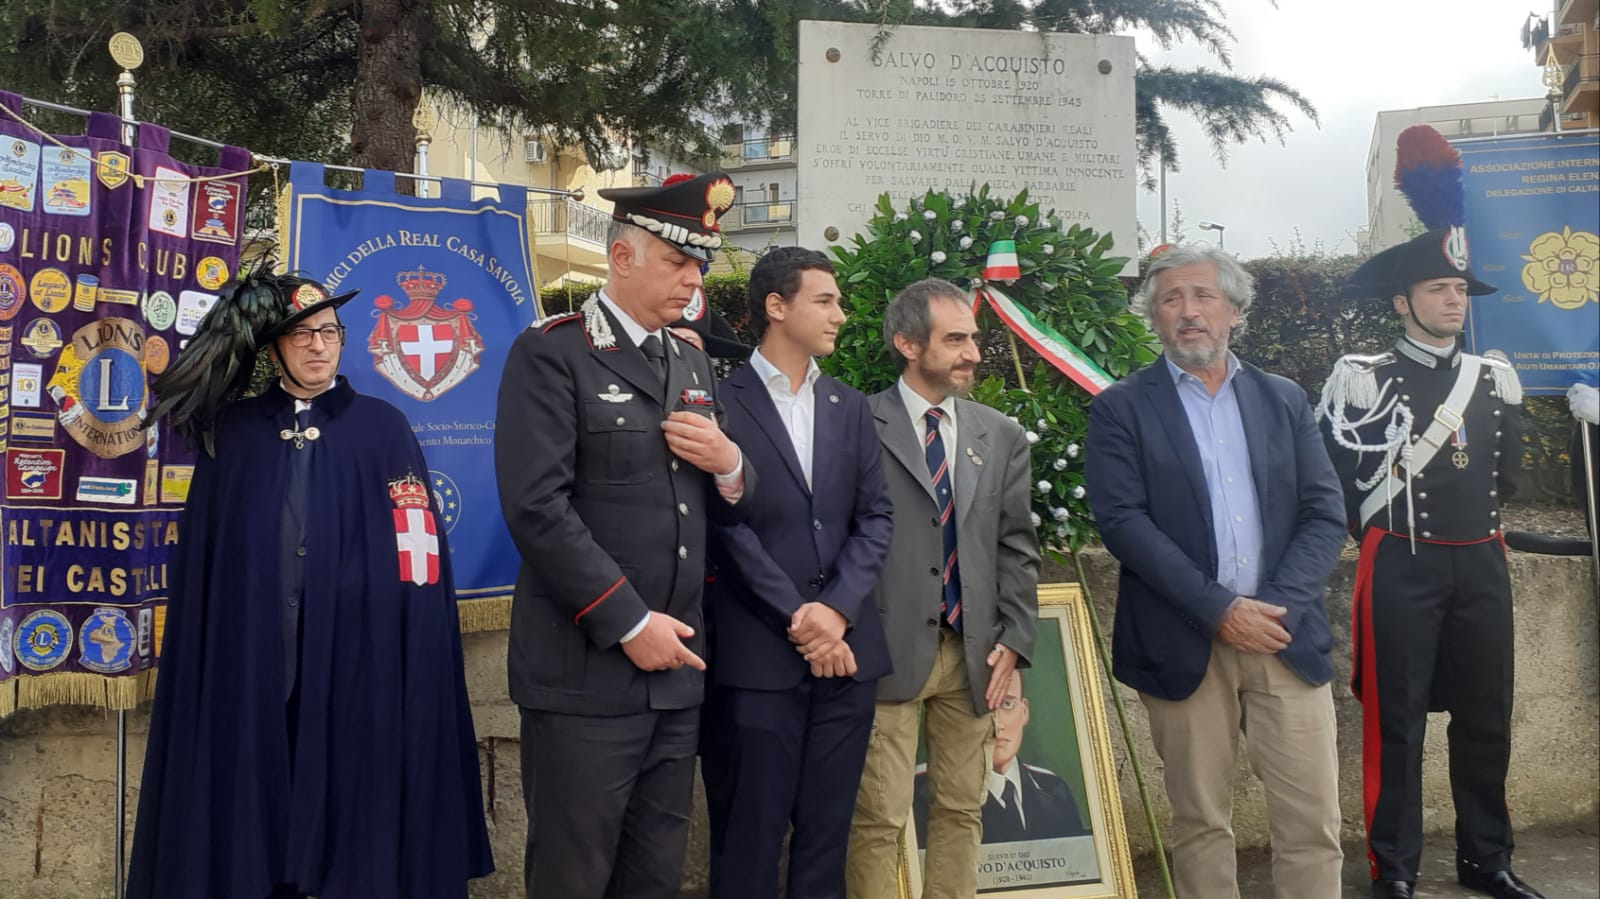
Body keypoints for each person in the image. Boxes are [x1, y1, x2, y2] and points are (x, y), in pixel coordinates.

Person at [127, 267, 492, 899]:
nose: (319, 346)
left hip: (356, 660)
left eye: (330, 332)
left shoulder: (383, 431)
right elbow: (210, 560)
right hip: (253, 662)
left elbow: (419, 553)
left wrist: (405, 633)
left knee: (350, 793)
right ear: (274, 350)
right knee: (253, 794)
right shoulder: (233, 434)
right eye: (302, 336)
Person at [494, 171, 757, 899]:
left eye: (698, 264)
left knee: (654, 878)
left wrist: (732, 465)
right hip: (584, 677)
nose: (692, 279)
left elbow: (726, 504)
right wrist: (629, 620)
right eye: (677, 261)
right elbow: (536, 508)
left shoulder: (692, 359)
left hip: (674, 676)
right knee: (574, 878)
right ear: (622, 257)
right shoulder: (554, 352)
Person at [1085, 245, 1347, 898]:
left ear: (1234, 310)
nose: (1188, 311)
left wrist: (1273, 607)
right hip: (1183, 640)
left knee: (1313, 820)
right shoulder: (1121, 407)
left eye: (1203, 296)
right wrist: (1221, 609)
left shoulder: (1283, 399)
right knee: (1200, 821)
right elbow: (1124, 524)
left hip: (1283, 639)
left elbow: (1324, 512)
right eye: (1171, 300)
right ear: (1154, 318)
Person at [1319, 217, 1542, 898]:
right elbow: (1337, 479)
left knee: (1485, 718)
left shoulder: (1492, 378)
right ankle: (1396, 867)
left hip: (1480, 560)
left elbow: (1505, 481)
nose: (1454, 300)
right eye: (1439, 287)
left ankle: (1487, 858)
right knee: (1397, 722)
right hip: (1402, 563)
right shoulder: (1363, 379)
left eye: (1460, 289)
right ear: (1400, 301)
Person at [699, 246, 894, 898]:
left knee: (825, 839)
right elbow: (726, 527)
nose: (841, 313)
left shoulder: (850, 406)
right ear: (776, 307)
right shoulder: (718, 402)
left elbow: (876, 520)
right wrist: (799, 617)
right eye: (826, 300)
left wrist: (835, 611)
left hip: (847, 660)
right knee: (748, 841)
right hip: (758, 662)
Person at [846, 277, 1041, 899]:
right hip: (885, 653)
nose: (974, 353)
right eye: (955, 339)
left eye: (975, 338)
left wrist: (1015, 638)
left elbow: (1016, 545)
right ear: (907, 343)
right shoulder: (855, 423)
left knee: (962, 811)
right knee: (877, 819)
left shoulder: (1001, 435)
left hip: (976, 655)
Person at [911, 668, 1088, 847]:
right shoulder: (922, 790)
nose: (997, 725)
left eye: (1007, 704)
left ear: (1024, 711)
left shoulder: (1053, 789)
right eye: (981, 707)